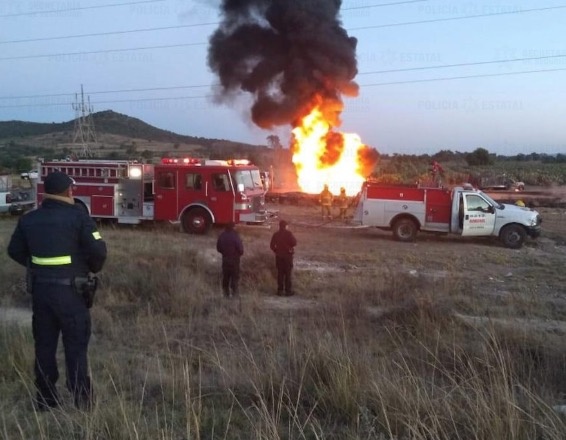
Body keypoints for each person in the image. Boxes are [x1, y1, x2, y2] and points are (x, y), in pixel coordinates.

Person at [7, 171, 107, 411]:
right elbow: (99, 253)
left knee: (44, 347)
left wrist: (38, 265)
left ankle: (45, 400)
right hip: (72, 294)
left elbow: (14, 250)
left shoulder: (29, 219)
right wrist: (88, 268)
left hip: (41, 293)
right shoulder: (79, 217)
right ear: (68, 191)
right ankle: (82, 401)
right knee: (75, 347)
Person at [216, 221, 244, 297]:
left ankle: (226, 294)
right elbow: (241, 249)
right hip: (234, 259)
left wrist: (224, 253)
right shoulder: (235, 236)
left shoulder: (222, 236)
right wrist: (238, 254)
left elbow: (218, 248)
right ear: (233, 227)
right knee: (234, 276)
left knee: (226, 277)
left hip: (225, 259)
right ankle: (235, 294)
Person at [270, 220, 297, 296]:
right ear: (286, 226)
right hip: (287, 257)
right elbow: (294, 243)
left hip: (279, 257)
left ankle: (280, 291)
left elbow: (272, 245)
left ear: (279, 226)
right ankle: (288, 291)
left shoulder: (276, 234)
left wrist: (276, 251)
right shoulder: (289, 234)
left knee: (280, 274)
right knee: (288, 274)